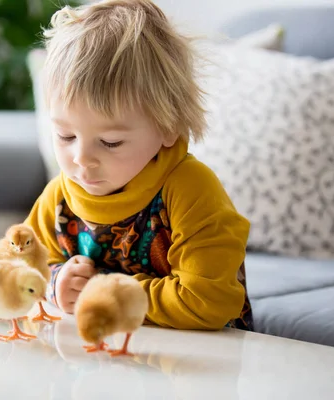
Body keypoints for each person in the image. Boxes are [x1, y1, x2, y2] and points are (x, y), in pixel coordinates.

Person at [26, 0, 252, 330]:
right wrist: (56, 284)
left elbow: (208, 301)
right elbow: (20, 265)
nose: (81, 159)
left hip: (196, 364)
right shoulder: (60, 195)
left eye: (111, 142)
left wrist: (103, 292)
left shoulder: (190, 189)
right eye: (65, 135)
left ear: (168, 127)